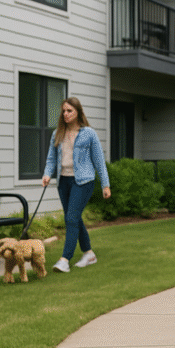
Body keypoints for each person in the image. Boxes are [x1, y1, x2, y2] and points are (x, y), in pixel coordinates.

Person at [41, 97, 111, 273]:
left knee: (71, 218)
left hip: (83, 181)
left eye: (69, 111)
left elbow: (99, 161)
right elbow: (51, 157)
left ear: (78, 112)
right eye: (64, 111)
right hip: (63, 181)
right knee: (74, 218)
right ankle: (89, 253)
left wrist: (105, 184)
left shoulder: (89, 133)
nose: (65, 114)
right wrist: (47, 174)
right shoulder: (57, 133)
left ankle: (65, 259)